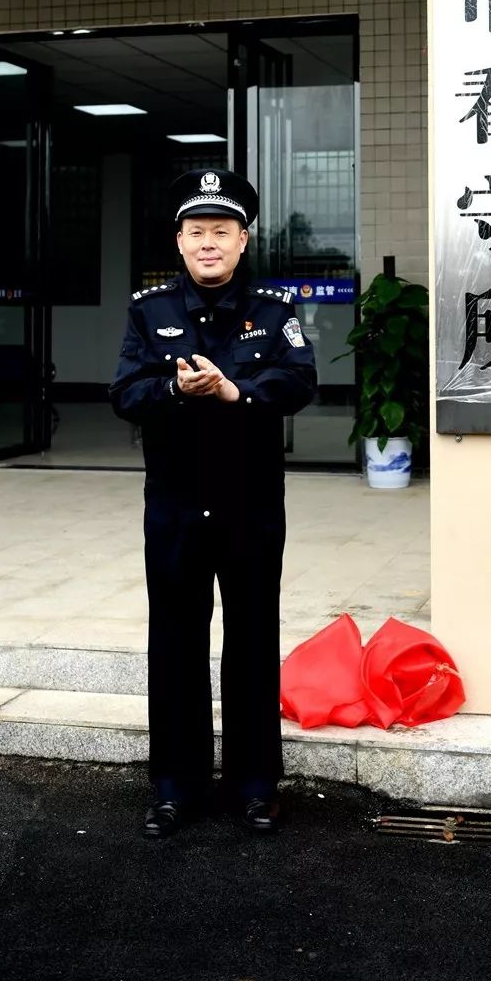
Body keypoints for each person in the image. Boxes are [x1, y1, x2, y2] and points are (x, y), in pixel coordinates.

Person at [109, 168, 316, 839]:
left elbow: (298, 381)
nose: (208, 243)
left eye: (221, 232)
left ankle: (255, 784)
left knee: (252, 639)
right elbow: (124, 393)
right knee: (174, 642)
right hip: (175, 505)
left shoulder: (275, 311)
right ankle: (176, 785)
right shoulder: (149, 312)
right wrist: (173, 391)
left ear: (243, 240)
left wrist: (237, 392)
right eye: (196, 231)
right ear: (179, 241)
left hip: (249, 505)